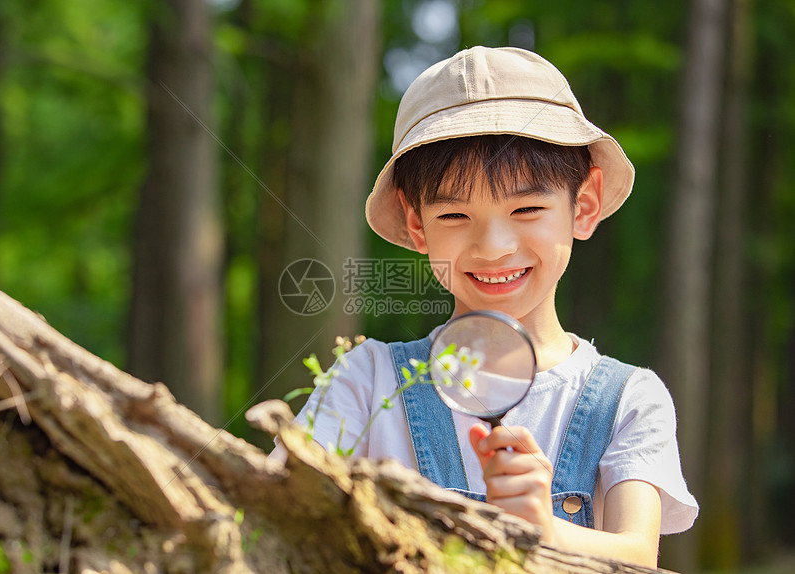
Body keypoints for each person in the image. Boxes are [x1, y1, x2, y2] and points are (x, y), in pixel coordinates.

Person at [276, 46, 697, 566]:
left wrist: (545, 530)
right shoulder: (365, 383)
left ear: (582, 206)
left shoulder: (627, 400)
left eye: (527, 208)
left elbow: (637, 557)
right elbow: (277, 522)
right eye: (454, 215)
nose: (494, 246)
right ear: (416, 224)